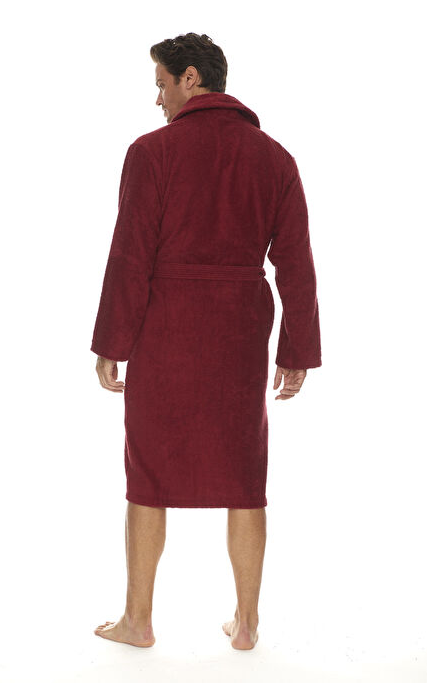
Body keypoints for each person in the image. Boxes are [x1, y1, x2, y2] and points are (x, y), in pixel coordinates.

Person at [90, 33, 322, 650]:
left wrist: (111, 341)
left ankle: (138, 621)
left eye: (161, 85)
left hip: (165, 328)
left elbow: (130, 256)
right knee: (245, 477)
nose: (158, 100)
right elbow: (296, 264)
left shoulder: (151, 152)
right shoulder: (276, 158)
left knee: (148, 471)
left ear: (190, 78)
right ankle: (246, 624)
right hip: (239, 335)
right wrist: (296, 350)